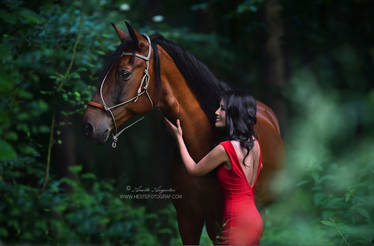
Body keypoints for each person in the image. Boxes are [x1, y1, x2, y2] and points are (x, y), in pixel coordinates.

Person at [164, 90, 263, 245]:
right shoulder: (255, 144)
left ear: (233, 113)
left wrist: (179, 137)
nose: (216, 112)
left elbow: (193, 169)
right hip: (254, 219)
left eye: (222, 109)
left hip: (237, 221)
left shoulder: (226, 149)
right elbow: (259, 168)